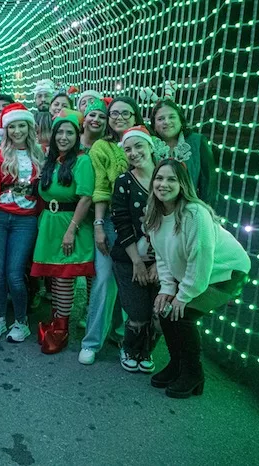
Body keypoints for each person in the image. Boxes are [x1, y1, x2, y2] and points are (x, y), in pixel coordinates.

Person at [146, 159, 250, 398]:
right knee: (167, 311)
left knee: (182, 314)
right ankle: (177, 365)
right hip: (197, 273)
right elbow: (162, 257)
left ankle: (193, 374)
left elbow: (200, 259)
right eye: (159, 178)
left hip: (226, 271)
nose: (163, 184)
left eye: (172, 179)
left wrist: (184, 296)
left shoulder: (195, 214)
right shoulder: (155, 214)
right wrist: (167, 289)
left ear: (182, 185)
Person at [79, 96, 146, 365]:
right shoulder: (101, 148)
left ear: (135, 116)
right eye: (113, 113)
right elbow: (100, 189)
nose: (118, 117)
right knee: (104, 281)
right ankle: (92, 341)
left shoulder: (145, 142)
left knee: (130, 282)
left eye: (125, 113)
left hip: (140, 225)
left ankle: (123, 337)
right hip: (109, 221)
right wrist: (97, 225)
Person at [32, 114, 95, 354]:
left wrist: (71, 231)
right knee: (57, 278)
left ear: (77, 136)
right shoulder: (52, 162)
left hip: (71, 224)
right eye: (60, 132)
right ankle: (57, 321)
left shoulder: (82, 161)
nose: (64, 137)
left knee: (66, 276)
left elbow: (86, 197)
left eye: (69, 133)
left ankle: (62, 328)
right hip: (50, 222)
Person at [0, 103, 44, 342]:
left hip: (25, 221)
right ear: (5, 130)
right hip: (0, 217)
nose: (17, 131)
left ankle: (21, 321)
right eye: (12, 127)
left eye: (21, 126)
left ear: (28, 128)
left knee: (14, 273)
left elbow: (42, 193)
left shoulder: (40, 154)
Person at [111, 126, 160, 372]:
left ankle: (146, 352)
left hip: (165, 259)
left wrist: (161, 265)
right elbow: (121, 222)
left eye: (138, 146)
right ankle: (129, 347)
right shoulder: (124, 182)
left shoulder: (167, 178)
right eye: (128, 149)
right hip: (129, 257)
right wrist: (137, 262)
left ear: (150, 146)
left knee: (158, 312)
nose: (133, 153)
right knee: (139, 312)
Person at [150, 100, 216, 205]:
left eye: (171, 117)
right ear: (154, 125)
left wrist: (206, 210)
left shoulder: (197, 141)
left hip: (190, 208)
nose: (166, 122)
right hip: (156, 209)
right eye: (160, 119)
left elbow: (208, 182)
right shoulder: (149, 145)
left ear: (181, 120)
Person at [33, 79, 55, 150]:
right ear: (35, 100)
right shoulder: (31, 120)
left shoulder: (58, 118)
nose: (43, 99)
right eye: (39, 96)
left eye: (46, 96)